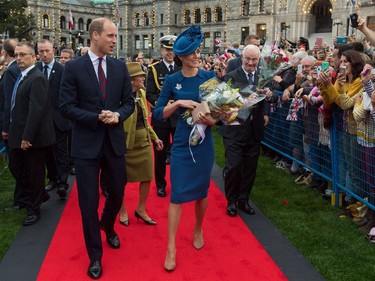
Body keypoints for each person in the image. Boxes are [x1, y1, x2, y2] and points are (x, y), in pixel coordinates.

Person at [59, 17, 134, 279]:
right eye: (111, 36)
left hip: (113, 143)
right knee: (88, 203)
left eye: (116, 36)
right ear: (95, 35)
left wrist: (117, 115)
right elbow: (65, 106)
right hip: (86, 147)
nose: (115, 40)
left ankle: (108, 225)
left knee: (117, 192)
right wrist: (96, 117)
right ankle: (95, 255)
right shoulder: (74, 68)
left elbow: (129, 103)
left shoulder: (119, 67)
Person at [153, 25, 217, 271]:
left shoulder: (208, 77)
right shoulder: (172, 80)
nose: (196, 55)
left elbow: (220, 115)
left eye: (198, 51)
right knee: (177, 194)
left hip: (203, 143)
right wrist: (178, 102)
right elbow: (158, 114)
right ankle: (171, 247)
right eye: (191, 53)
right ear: (180, 57)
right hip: (180, 144)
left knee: (201, 191)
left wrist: (210, 119)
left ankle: (198, 228)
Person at [8, 42, 55, 225]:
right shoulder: (23, 77)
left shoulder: (37, 78)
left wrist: (27, 136)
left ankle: (34, 209)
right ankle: (39, 195)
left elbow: (37, 110)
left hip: (33, 137)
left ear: (33, 57)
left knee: (34, 173)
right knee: (16, 166)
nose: (19, 58)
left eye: (23, 55)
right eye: (17, 55)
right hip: (18, 133)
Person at [219, 44, 269, 217]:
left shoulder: (263, 77)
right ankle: (231, 201)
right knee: (234, 167)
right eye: (248, 58)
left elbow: (266, 100)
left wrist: (268, 99)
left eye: (254, 59)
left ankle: (243, 200)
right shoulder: (230, 77)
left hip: (254, 130)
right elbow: (223, 103)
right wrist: (245, 101)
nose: (251, 62)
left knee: (250, 168)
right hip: (234, 130)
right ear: (242, 58)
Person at [118, 62, 163, 226]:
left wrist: (154, 137)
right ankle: (122, 210)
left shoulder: (142, 94)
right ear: (131, 80)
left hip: (143, 141)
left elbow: (145, 121)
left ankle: (141, 209)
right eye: (140, 76)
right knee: (120, 180)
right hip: (126, 144)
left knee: (147, 177)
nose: (144, 78)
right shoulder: (119, 98)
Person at [146, 35, 181, 197]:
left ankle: (178, 182)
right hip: (161, 116)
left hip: (179, 116)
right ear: (162, 50)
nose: (170, 53)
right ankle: (160, 184)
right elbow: (150, 94)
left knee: (179, 152)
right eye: (167, 50)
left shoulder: (181, 68)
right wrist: (163, 105)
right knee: (160, 152)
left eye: (172, 50)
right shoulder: (154, 69)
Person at [37, 39, 71, 198]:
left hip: (59, 119)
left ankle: (63, 182)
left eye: (47, 51)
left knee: (60, 152)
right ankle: (53, 178)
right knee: (47, 153)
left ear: (53, 50)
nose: (44, 54)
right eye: (41, 51)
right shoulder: (35, 70)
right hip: (41, 121)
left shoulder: (62, 70)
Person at [1, 38, 29, 212]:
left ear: (4, 53)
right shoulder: (11, 70)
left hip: (12, 125)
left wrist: (6, 127)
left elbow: (10, 101)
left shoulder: (12, 71)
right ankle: (26, 196)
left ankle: (25, 197)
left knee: (16, 164)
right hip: (12, 124)